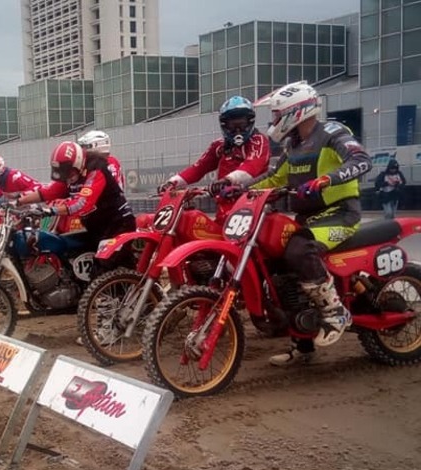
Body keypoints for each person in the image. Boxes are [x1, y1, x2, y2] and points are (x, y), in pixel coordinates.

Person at [248, 80, 372, 366]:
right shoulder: (293, 145)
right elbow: (274, 178)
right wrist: (239, 189)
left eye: (277, 114)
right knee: (277, 264)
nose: (274, 121)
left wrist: (326, 180)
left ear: (296, 111)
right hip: (309, 219)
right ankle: (303, 343)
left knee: (299, 250)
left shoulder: (332, 133)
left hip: (340, 213)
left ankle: (335, 312)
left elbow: (361, 160)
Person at [16, 140, 136, 273]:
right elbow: (49, 192)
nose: (66, 176)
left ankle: (120, 283)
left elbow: (81, 203)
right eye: (62, 172)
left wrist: (49, 211)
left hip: (118, 224)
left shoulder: (96, 170)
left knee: (101, 268)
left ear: (77, 163)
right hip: (96, 227)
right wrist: (18, 202)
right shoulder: (69, 174)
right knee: (68, 252)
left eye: (68, 172)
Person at [152, 95, 271, 226]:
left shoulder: (258, 141)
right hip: (224, 206)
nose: (238, 129)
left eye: (242, 124)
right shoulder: (219, 146)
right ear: (225, 125)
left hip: (252, 205)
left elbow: (251, 166)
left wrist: (227, 181)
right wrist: (172, 183)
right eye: (232, 125)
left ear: (250, 122)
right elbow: (198, 168)